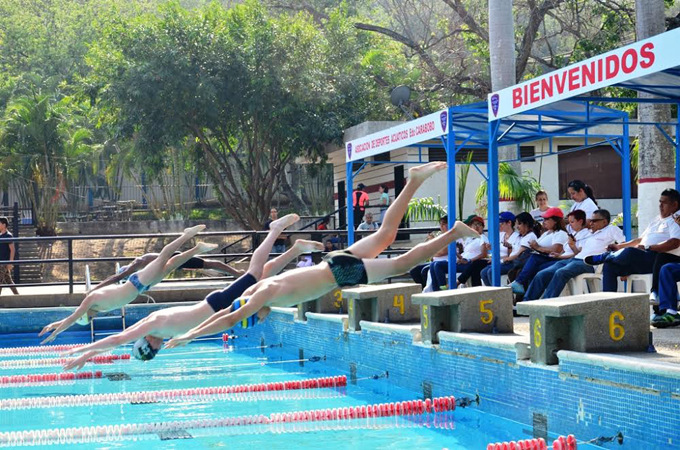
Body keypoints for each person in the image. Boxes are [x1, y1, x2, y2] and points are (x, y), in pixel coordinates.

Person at [164, 163, 480, 350]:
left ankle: (452, 233)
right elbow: (237, 302)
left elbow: (228, 318)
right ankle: (413, 181)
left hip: (338, 273)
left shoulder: (261, 298)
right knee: (385, 236)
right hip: (333, 263)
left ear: (252, 312)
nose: (260, 321)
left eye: (254, 320)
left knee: (403, 263)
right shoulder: (259, 290)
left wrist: (188, 336)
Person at [62, 221, 323, 369]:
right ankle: (296, 249)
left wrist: (85, 352)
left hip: (217, 304)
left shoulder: (153, 326)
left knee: (255, 272)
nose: (158, 349)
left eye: (152, 350)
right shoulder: (151, 327)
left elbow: (118, 339)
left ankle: (275, 231)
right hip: (214, 303)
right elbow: (119, 339)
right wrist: (86, 354)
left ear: (147, 343)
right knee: (260, 276)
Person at [39, 225, 216, 344]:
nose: (93, 317)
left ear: (86, 314)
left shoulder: (90, 300)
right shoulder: (96, 308)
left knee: (163, 259)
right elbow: (71, 318)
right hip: (142, 287)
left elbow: (72, 318)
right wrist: (52, 325)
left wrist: (56, 333)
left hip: (137, 282)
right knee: (172, 265)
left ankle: (186, 235)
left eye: (90, 317)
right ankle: (197, 248)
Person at [585, 189, 680, 296]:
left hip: (659, 258)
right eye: (660, 202)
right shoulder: (657, 220)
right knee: (609, 265)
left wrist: (648, 247)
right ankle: (609, 302)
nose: (660, 205)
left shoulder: (676, 219)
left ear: (675, 204)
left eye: (664, 203)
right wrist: (619, 246)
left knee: (630, 252)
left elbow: (674, 243)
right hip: (642, 257)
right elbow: (639, 240)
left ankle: (604, 256)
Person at [524, 209, 624, 300]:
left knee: (561, 273)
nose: (590, 223)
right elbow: (578, 252)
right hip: (575, 259)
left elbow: (623, 243)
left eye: (594, 221)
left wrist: (614, 249)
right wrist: (573, 246)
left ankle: (546, 303)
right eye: (591, 220)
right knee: (542, 274)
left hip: (588, 263)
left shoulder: (611, 229)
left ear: (604, 221)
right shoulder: (591, 234)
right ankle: (527, 302)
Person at [89, 252, 245, 296]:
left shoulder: (136, 265)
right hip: (171, 263)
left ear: (127, 270)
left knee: (208, 264)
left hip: (174, 259)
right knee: (207, 264)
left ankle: (236, 272)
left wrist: (96, 288)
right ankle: (236, 272)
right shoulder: (140, 268)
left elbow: (116, 278)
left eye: (126, 275)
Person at [511, 207, 568, 295]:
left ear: (555, 220)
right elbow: (537, 246)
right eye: (543, 219)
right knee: (529, 268)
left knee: (534, 263)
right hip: (542, 259)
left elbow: (555, 250)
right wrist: (534, 246)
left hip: (553, 260)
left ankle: (520, 284)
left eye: (547, 219)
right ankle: (523, 294)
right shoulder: (546, 233)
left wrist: (537, 247)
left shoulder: (560, 233)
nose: (544, 221)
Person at [459, 212, 519, 288]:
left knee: (487, 269)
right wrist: (491, 248)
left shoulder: (516, 237)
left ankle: (497, 292)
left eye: (501, 222)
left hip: (508, 262)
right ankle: (490, 292)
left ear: (509, 223)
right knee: (483, 272)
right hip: (497, 261)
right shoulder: (501, 235)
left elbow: (513, 256)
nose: (499, 224)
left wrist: (499, 258)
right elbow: (496, 251)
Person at [481, 212, 539, 286]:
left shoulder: (524, 237)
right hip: (510, 261)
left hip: (514, 263)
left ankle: (498, 294)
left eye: (519, 224)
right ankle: (492, 293)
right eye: (517, 224)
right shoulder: (522, 236)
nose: (517, 226)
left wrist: (503, 260)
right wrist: (509, 248)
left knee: (491, 271)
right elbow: (513, 252)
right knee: (483, 272)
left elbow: (518, 255)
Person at [431, 215, 487, 289]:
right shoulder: (469, 239)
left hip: (469, 264)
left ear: (483, 227)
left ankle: (443, 289)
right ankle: (436, 290)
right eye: (474, 224)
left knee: (438, 265)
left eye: (479, 224)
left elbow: (484, 254)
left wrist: (468, 260)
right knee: (433, 265)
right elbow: (463, 252)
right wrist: (458, 256)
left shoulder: (482, 237)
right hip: (461, 261)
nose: (476, 227)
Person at [409, 216, 448, 289]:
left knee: (425, 270)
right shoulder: (441, 236)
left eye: (444, 224)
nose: (442, 226)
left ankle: (433, 290)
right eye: (440, 224)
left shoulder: (451, 236)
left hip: (444, 262)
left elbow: (442, 252)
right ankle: (424, 290)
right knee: (414, 270)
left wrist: (433, 242)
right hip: (436, 261)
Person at [0, 216, 19, 295]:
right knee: (9, 280)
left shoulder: (8, 235)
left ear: (4, 225)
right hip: (1, 261)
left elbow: (12, 250)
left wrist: (10, 263)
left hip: (4, 262)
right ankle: (17, 296)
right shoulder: (0, 235)